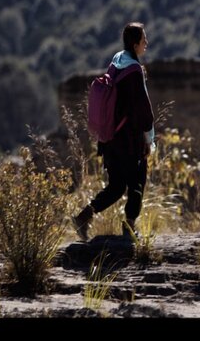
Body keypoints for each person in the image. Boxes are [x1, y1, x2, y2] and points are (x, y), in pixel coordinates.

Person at [73, 22, 155, 240]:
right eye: (144, 39)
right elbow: (142, 108)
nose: (146, 43)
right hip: (128, 140)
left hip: (109, 139)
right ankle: (129, 227)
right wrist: (149, 138)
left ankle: (83, 216)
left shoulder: (116, 62)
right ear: (136, 42)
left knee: (117, 186)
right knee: (137, 181)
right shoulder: (134, 71)